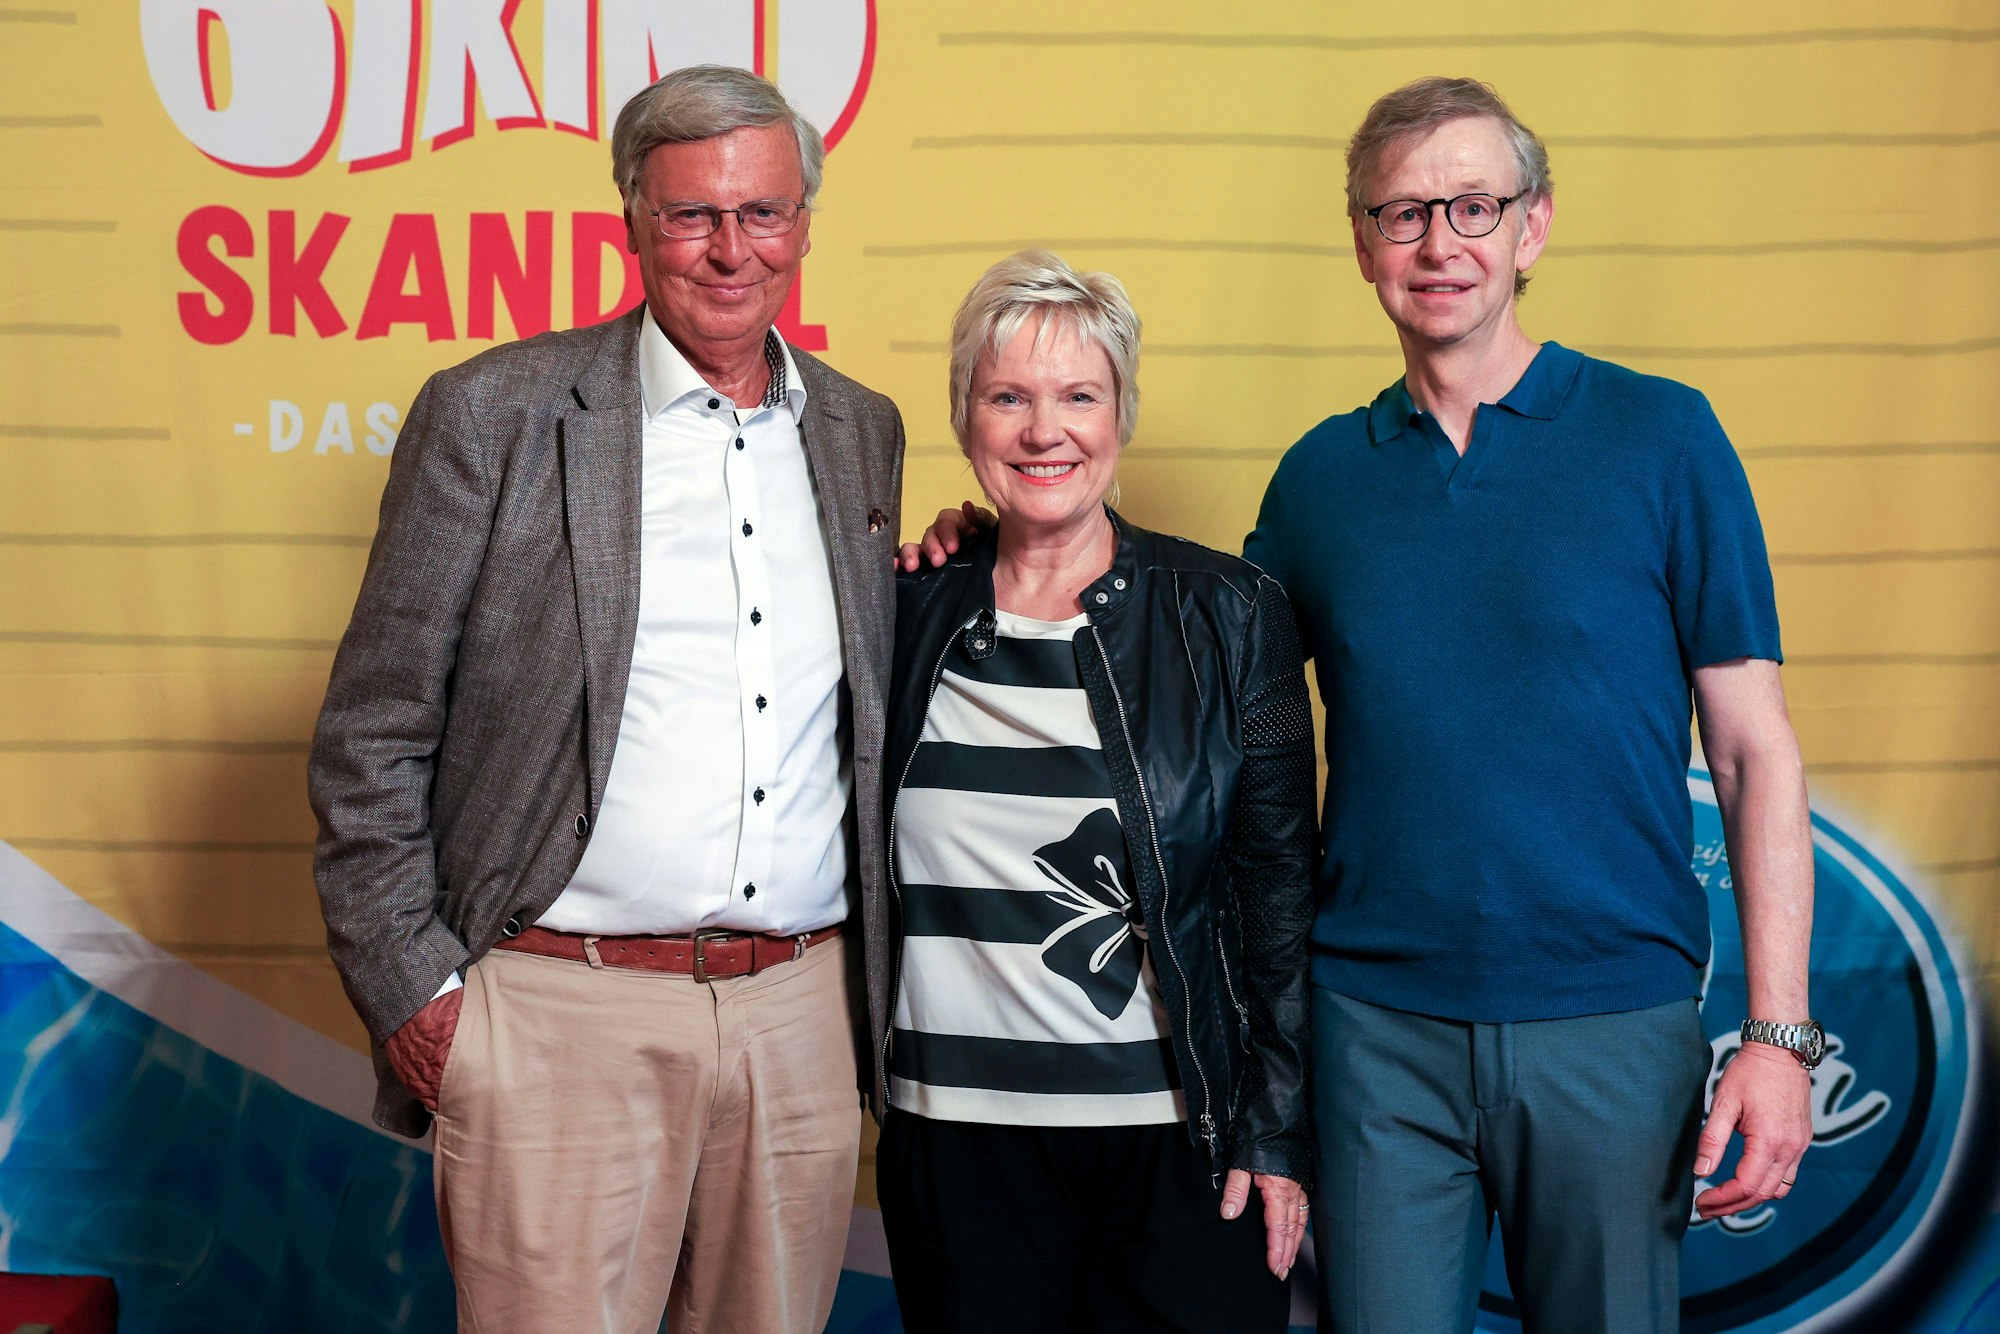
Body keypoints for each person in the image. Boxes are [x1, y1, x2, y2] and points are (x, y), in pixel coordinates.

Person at [904, 79, 1816, 1334]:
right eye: (1402, 213)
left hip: (1608, 1016)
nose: (1438, 241)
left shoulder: (1661, 439)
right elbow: (1200, 680)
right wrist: (974, 543)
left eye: (1471, 206)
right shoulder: (1321, 479)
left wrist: (1775, 1031)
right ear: (1359, 243)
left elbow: (1755, 754)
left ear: (1531, 228)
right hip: (1372, 1029)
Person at [308, 65, 905, 1334]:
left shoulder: (862, 431)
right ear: (632, 219)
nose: (730, 249)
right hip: (557, 1007)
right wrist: (416, 991)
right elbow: (373, 729)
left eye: (762, 212)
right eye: (692, 215)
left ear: (804, 220)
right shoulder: (495, 414)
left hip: (800, 1012)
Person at [877, 250, 1316, 1334]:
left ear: (1121, 411)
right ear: (965, 417)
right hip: (956, 1145)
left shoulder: (1228, 612)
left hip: (1177, 1147)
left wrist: (1273, 1129)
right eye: (1007, 397)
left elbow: (1279, 895)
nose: (1044, 430)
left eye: (1078, 394)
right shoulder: (901, 612)